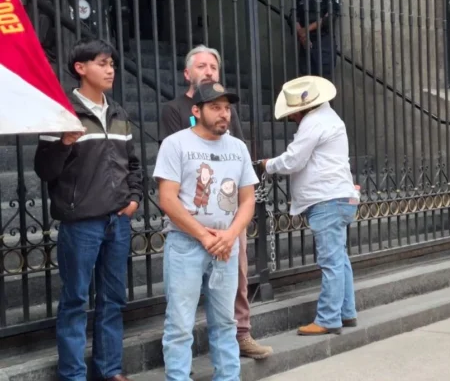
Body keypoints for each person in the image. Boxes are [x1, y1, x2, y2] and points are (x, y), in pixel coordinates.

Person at [34, 38, 142, 381]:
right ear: (80, 68)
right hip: (81, 223)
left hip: (117, 220)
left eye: (112, 64)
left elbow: (132, 164)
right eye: (102, 63)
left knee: (113, 300)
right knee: (75, 301)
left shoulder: (118, 113)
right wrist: (64, 143)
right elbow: (44, 170)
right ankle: (73, 375)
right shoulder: (62, 113)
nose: (110, 70)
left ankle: (110, 370)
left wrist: (134, 198)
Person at [159, 45, 272, 359]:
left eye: (213, 66)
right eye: (202, 66)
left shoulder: (227, 123)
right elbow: (170, 188)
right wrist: (203, 234)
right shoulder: (175, 116)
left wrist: (231, 232)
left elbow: (240, 175)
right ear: (188, 74)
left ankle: (242, 334)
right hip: (191, 226)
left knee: (235, 289)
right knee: (181, 318)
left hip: (228, 222)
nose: (209, 71)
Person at [260, 76, 360, 335]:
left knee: (331, 261)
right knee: (339, 258)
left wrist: (269, 165)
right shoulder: (330, 117)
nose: (292, 118)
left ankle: (328, 318)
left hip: (326, 199)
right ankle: (346, 311)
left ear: (302, 108)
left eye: (293, 113)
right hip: (340, 196)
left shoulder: (313, 122)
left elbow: (294, 160)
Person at [291, 0, 341, 81]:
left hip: (324, 44)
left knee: (323, 83)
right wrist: (302, 34)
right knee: (306, 83)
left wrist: (305, 30)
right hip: (305, 44)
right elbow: (293, 16)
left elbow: (330, 17)